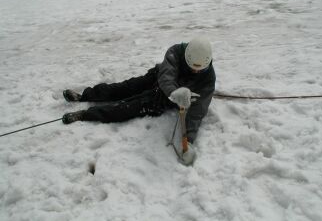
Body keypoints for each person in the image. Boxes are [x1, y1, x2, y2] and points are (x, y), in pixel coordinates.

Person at [62, 37, 216, 144]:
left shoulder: (208, 78)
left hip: (164, 100)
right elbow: (166, 77)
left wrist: (188, 140)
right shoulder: (176, 51)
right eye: (192, 67)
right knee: (125, 88)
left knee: (129, 107)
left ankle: (85, 115)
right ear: (187, 56)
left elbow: (198, 111)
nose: (195, 72)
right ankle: (84, 96)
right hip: (158, 80)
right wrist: (175, 93)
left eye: (199, 69)